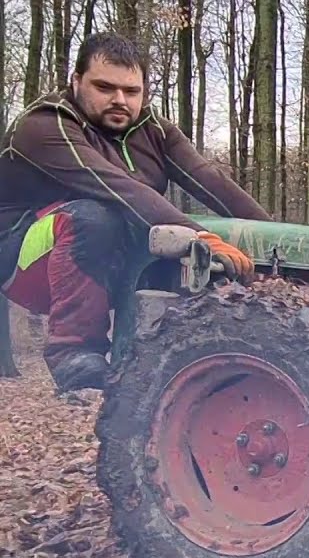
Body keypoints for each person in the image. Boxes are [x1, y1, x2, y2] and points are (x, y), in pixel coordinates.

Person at [0, 32, 265, 392]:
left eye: (131, 91)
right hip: (18, 255)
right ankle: (75, 357)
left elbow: (211, 181)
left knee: (161, 237)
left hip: (103, 250)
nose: (120, 100)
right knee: (104, 216)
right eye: (104, 87)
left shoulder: (154, 130)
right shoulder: (44, 125)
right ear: (76, 82)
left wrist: (274, 240)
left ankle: (144, 364)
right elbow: (115, 187)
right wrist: (202, 238)